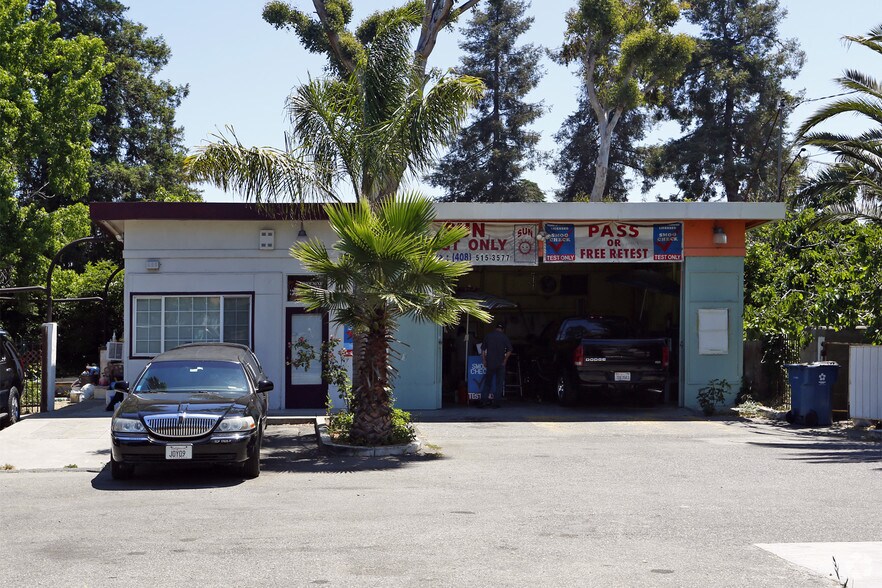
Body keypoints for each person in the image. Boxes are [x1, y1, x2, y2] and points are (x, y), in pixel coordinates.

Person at [479, 322, 513, 408]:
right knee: (499, 383)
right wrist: (505, 360)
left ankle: (483, 401)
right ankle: (496, 403)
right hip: (500, 364)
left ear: (495, 328)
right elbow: (509, 350)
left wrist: (484, 360)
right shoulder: (504, 337)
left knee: (487, 383)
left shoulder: (488, 336)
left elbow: (482, 349)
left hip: (490, 363)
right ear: (503, 329)